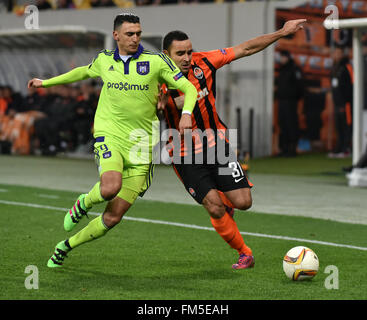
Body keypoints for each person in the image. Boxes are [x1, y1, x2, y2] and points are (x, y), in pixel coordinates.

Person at [28, 13, 197, 268]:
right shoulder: (104, 60)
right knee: (109, 187)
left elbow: (190, 89)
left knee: (113, 217)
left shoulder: (156, 62)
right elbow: (82, 72)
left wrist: (186, 114)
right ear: (116, 35)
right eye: (130, 34)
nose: (135, 38)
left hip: (141, 144)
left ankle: (66, 246)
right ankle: (84, 202)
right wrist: (45, 83)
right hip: (111, 134)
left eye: (138, 33)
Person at [159, 19, 306, 269]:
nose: (186, 57)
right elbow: (151, 115)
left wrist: (282, 32)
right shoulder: (155, 79)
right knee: (214, 207)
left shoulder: (204, 62)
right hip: (184, 154)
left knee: (243, 202)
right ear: (166, 55)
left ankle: (227, 208)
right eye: (180, 53)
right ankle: (244, 253)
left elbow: (245, 48)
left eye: (189, 51)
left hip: (217, 144)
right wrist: (158, 109)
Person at [275, 50, 304, 157]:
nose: (281, 59)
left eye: (283, 57)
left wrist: (295, 98)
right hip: (282, 101)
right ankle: (284, 148)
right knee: (283, 124)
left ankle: (292, 149)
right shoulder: (281, 69)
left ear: (287, 57)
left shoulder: (295, 69)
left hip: (291, 102)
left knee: (291, 124)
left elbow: (300, 86)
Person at [328, 44, 353, 158]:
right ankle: (339, 148)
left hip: (346, 103)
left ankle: (346, 149)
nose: (336, 55)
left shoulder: (347, 66)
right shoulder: (335, 67)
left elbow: (352, 85)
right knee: (339, 127)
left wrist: (346, 101)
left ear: (342, 54)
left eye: (338, 53)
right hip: (337, 103)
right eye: (335, 53)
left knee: (347, 126)